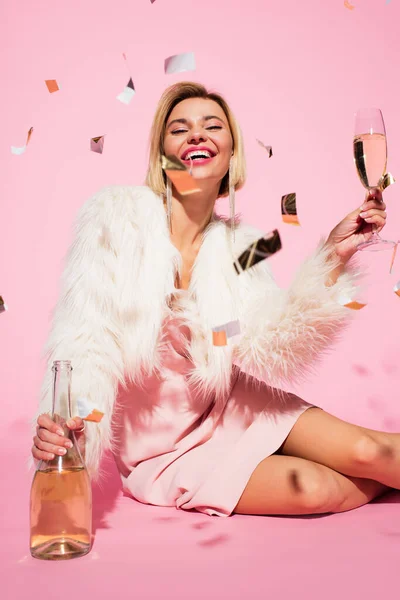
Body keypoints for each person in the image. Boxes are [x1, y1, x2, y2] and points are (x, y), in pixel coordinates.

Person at [31, 81, 398, 518]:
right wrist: (68, 428)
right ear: (161, 154)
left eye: (212, 126)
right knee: (314, 489)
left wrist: (333, 256)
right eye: (178, 129)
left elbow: (274, 340)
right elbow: (83, 341)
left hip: (233, 403)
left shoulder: (245, 244)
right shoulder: (114, 221)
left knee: (370, 450)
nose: (196, 135)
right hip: (161, 450)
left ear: (230, 154)